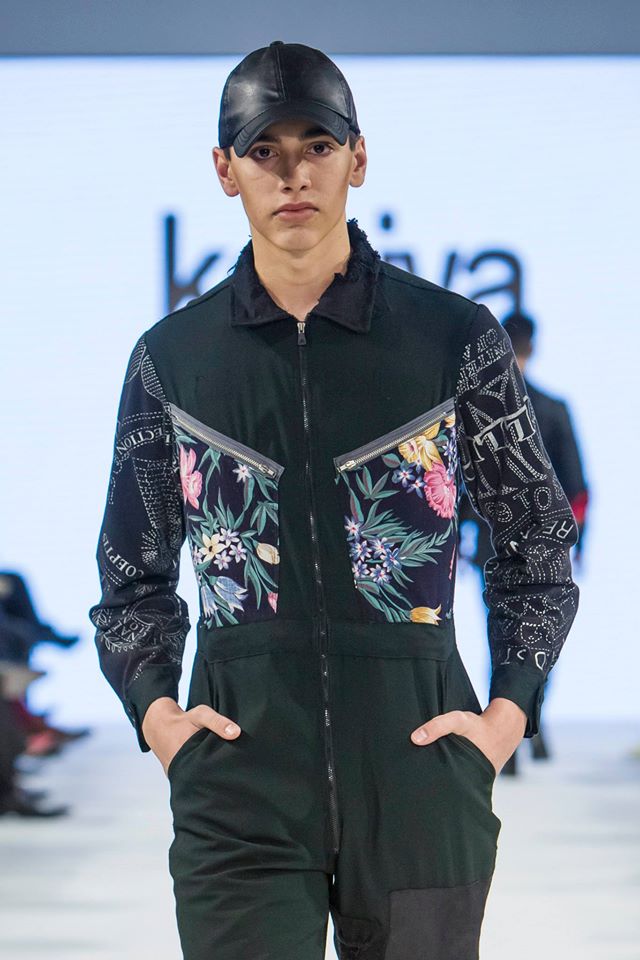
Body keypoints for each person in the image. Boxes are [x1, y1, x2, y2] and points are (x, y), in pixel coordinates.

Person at [89, 41, 580, 960]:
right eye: (263, 151)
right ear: (225, 171)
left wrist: (505, 719)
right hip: (238, 783)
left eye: (317, 145)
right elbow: (131, 574)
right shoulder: (173, 360)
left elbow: (537, 544)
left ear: (358, 159)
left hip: (420, 777)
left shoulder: (453, 339)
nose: (293, 174)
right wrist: (163, 721)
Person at [458, 309, 588, 774]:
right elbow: (576, 485)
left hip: (491, 542)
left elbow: (463, 483)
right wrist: (578, 544)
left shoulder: (475, 408)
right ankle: (531, 724)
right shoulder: (552, 408)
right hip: (547, 540)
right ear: (532, 347)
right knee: (539, 629)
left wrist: (459, 537)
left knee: (500, 627)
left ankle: (511, 730)